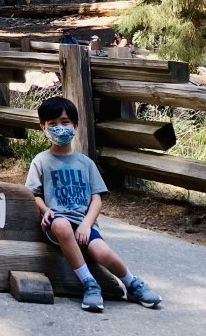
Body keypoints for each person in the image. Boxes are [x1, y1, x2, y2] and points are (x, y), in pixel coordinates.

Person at [25, 96, 162, 313]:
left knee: (103, 253)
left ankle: (133, 284)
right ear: (43, 127)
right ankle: (89, 283)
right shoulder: (41, 161)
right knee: (61, 225)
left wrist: (87, 224)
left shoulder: (85, 163)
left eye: (65, 122)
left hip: (84, 224)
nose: (59, 128)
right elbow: (34, 193)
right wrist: (45, 210)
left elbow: (97, 198)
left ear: (76, 125)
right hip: (57, 222)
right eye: (52, 124)